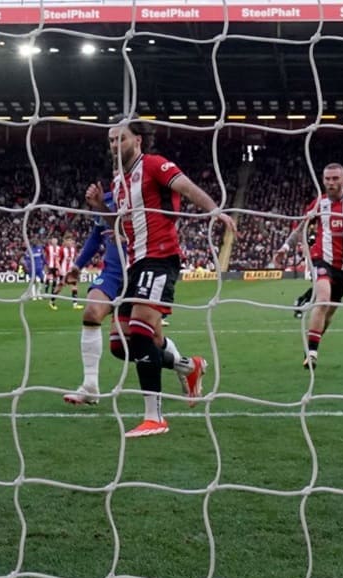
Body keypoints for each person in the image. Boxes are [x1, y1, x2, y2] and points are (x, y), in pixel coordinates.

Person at [83, 116, 235, 437]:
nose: (114, 145)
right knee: (119, 345)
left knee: (139, 332)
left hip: (160, 258)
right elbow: (118, 229)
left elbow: (187, 186)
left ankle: (154, 417)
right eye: (110, 140)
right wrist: (99, 206)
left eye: (120, 139)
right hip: (133, 264)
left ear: (137, 140)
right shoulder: (118, 181)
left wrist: (215, 210)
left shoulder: (154, 164)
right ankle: (188, 366)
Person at [64, 191, 204, 408]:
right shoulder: (108, 199)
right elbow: (96, 235)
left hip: (141, 272)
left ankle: (185, 366)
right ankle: (90, 386)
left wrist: (127, 235)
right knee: (91, 313)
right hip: (112, 273)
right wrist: (77, 265)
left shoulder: (144, 194)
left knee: (151, 340)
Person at [274, 163, 343, 370]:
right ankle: (312, 354)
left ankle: (311, 344)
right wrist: (285, 247)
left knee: (329, 312)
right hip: (321, 258)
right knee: (322, 299)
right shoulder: (318, 203)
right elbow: (301, 227)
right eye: (327, 179)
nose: (331, 182)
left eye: (335, 178)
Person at [49, 236, 81, 310]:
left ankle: (75, 304)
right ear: (65, 241)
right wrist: (59, 269)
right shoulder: (62, 249)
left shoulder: (73, 249)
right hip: (63, 271)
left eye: (71, 240)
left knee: (74, 286)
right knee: (59, 288)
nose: (70, 242)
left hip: (71, 271)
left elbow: (74, 259)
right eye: (68, 240)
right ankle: (51, 301)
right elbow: (57, 260)